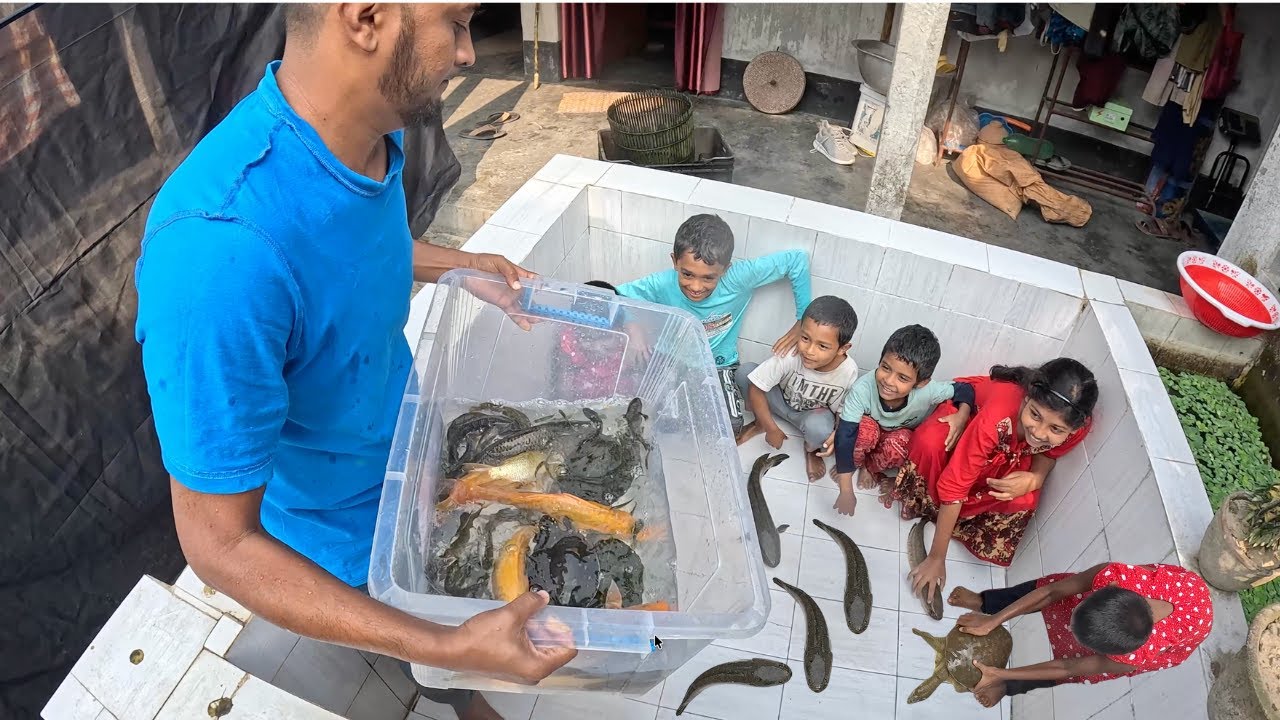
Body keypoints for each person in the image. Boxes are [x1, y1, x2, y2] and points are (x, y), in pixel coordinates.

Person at [133, 6, 575, 719]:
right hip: (343, 533)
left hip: (409, 461)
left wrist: (460, 266)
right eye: (457, 24)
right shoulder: (216, 256)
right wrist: (446, 646)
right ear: (367, 18)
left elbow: (338, 260)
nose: (468, 55)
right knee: (442, 646)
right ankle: (455, 686)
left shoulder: (369, 138)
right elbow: (218, 544)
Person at [899, 358, 1097, 606]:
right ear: (1026, 399)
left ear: (1073, 429)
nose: (1039, 432)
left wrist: (1035, 478)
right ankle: (934, 510)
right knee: (932, 443)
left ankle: (953, 520)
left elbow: (1048, 454)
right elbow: (955, 484)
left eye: (1055, 429)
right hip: (969, 417)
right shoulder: (997, 416)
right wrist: (937, 557)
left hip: (1007, 450)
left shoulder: (1076, 427)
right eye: (1035, 415)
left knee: (1025, 498)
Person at [616, 213, 811, 437]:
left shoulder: (738, 278)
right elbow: (617, 296)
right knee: (649, 416)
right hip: (669, 358)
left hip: (717, 365)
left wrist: (802, 322)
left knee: (728, 426)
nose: (696, 286)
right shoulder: (662, 282)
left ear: (725, 269)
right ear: (674, 261)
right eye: (687, 274)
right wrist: (633, 326)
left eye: (708, 278)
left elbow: (797, 260)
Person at [950, 561, 1213, 708]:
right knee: (1048, 587)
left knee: (1074, 673)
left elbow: (1066, 667)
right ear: (1106, 589)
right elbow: (1052, 593)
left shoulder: (1135, 656)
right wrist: (993, 620)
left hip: (1179, 637)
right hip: (1182, 587)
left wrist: (1001, 673)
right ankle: (985, 602)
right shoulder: (1114, 574)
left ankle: (1005, 687)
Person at [821, 325, 976, 517]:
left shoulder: (929, 390)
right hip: (870, 431)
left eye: (902, 377)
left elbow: (965, 389)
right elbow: (845, 435)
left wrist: (962, 416)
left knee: (903, 441)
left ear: (921, 382)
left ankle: (870, 468)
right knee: (863, 430)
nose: (888, 380)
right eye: (885, 367)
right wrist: (846, 490)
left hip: (895, 436)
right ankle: (854, 464)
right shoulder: (863, 389)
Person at [735, 295, 860, 481]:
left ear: (843, 348)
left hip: (810, 414)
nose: (809, 350)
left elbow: (844, 410)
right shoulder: (792, 354)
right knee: (745, 373)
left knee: (823, 431)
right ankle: (759, 423)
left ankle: (811, 450)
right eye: (805, 338)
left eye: (822, 346)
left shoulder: (848, 370)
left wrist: (835, 435)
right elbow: (756, 387)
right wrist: (770, 428)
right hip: (779, 402)